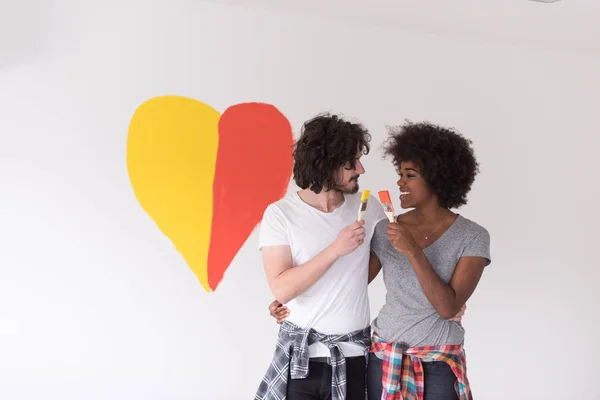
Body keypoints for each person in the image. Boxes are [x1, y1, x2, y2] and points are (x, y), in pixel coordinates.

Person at [269, 121, 489, 400]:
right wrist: (291, 297)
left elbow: (445, 307)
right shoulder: (384, 230)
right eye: (400, 174)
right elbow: (351, 279)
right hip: (380, 357)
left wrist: (414, 253)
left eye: (409, 175)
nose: (399, 182)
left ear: (436, 177)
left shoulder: (470, 236)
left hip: (436, 359)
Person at [254, 113, 386, 400]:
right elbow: (282, 288)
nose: (360, 169)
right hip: (302, 359)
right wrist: (335, 250)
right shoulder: (280, 214)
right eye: (351, 162)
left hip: (355, 357)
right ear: (325, 163)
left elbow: (378, 263)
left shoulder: (368, 208)